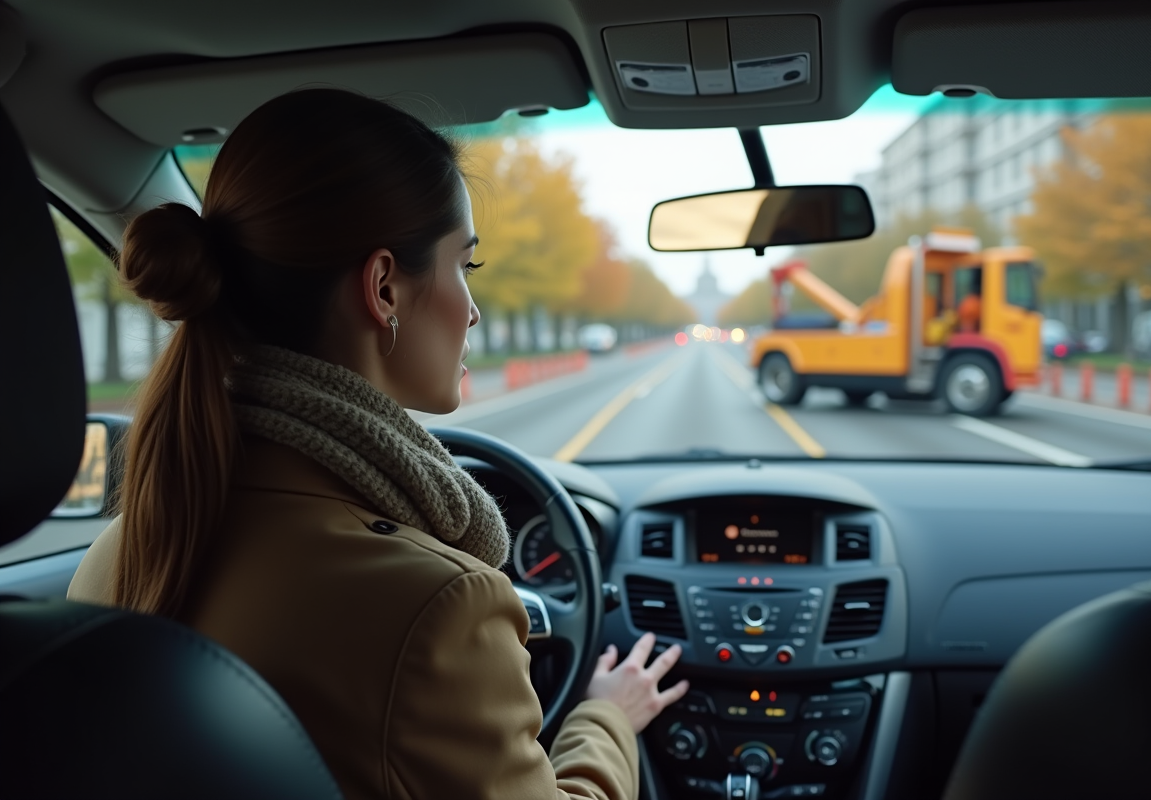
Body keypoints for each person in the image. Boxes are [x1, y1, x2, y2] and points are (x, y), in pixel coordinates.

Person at [67, 88, 687, 800]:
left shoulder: (120, 555)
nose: (475, 308)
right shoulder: (440, 608)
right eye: (466, 265)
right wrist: (607, 716)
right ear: (384, 288)